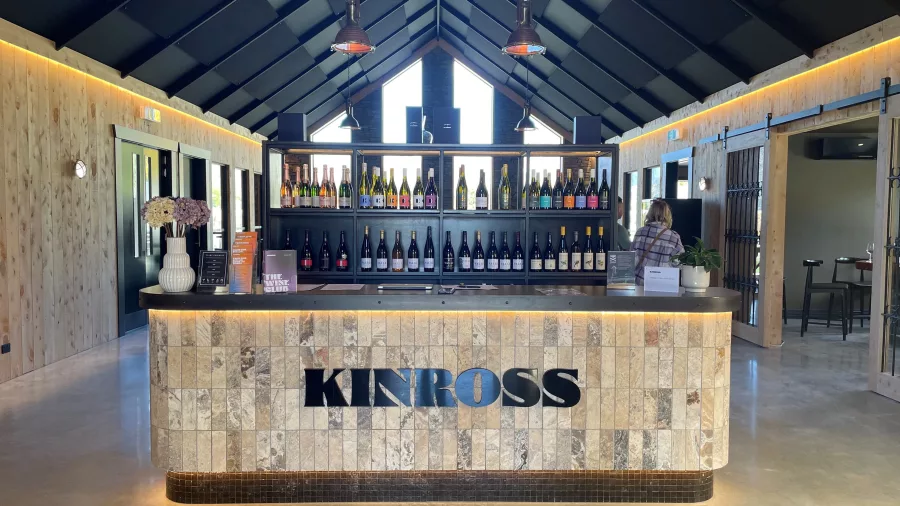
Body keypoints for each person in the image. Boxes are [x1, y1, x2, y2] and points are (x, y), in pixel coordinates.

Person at [631, 199, 684, 284]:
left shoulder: (640, 232)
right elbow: (679, 263)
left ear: (650, 213)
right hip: (663, 285)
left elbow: (632, 260)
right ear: (667, 215)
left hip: (640, 284)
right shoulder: (673, 237)